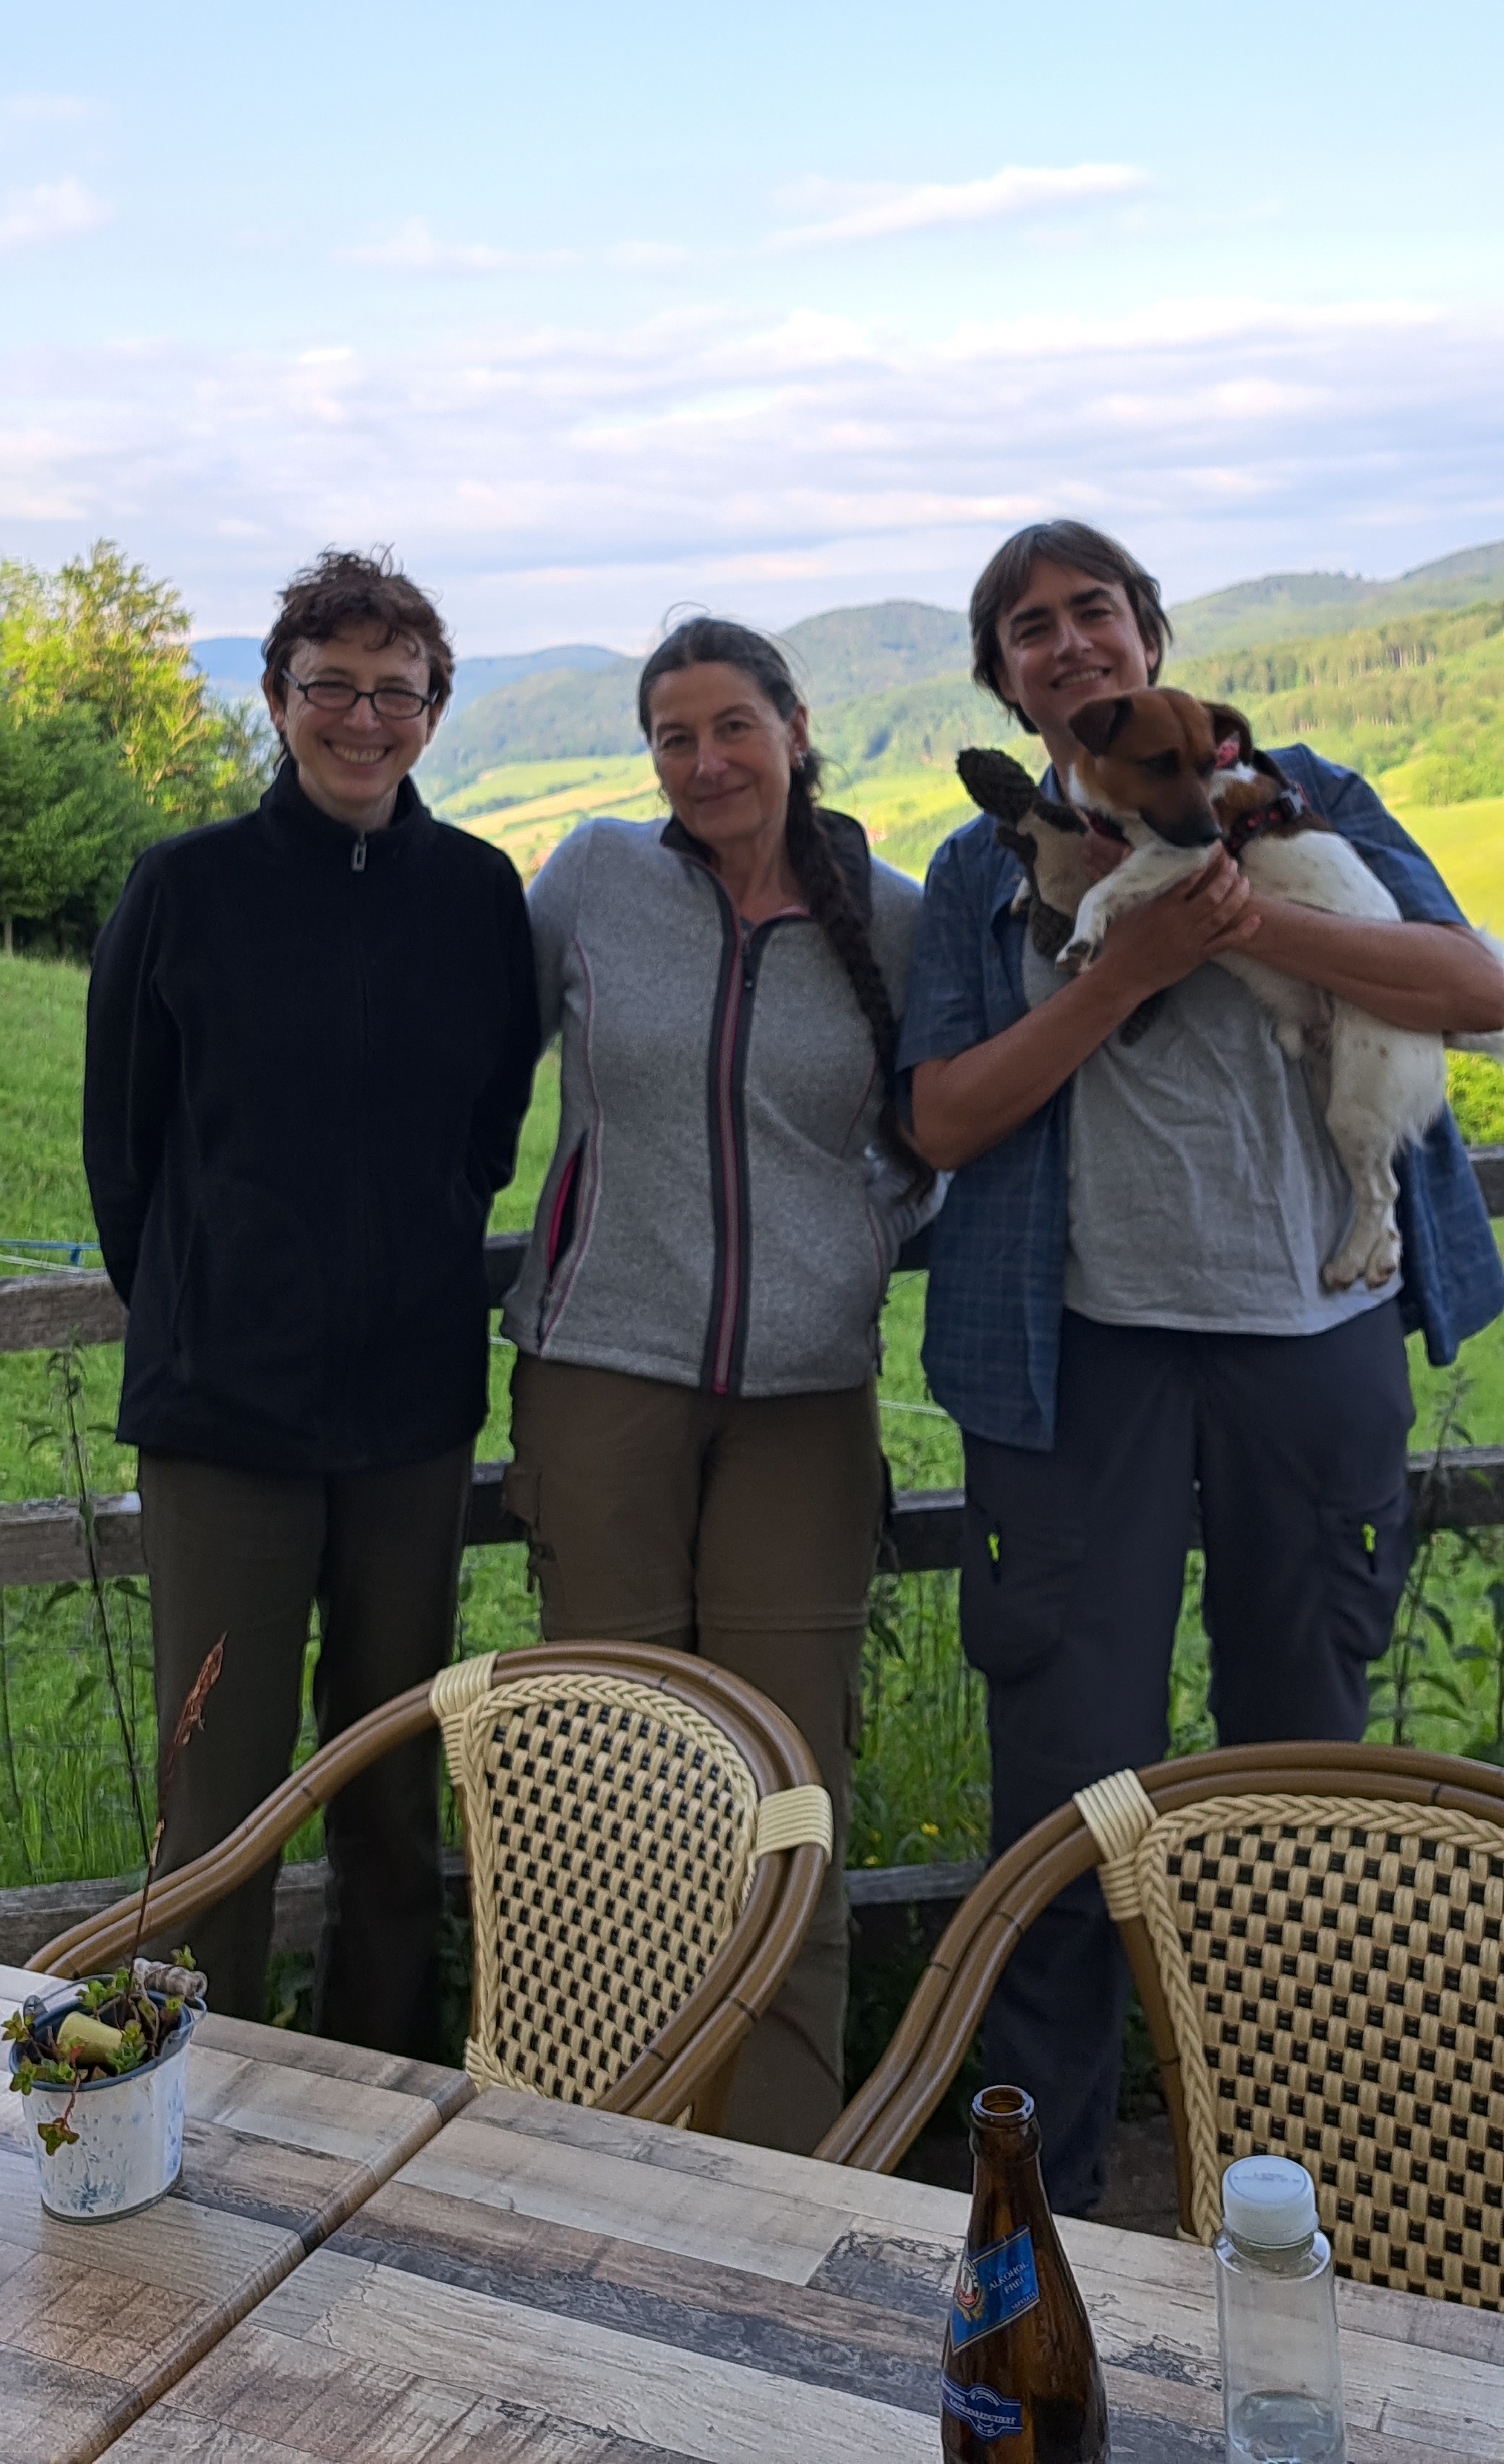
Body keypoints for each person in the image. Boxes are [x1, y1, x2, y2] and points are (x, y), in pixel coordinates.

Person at [898, 519, 1504, 2214]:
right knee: (1068, 1797)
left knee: (1301, 1777)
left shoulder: (1298, 795)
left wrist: (1226, 926)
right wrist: (1126, 967)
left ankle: (1309, 2197)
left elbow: (1472, 985)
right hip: (1073, 1364)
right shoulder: (978, 866)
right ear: (1006, 683)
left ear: (1154, 645)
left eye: (1093, 610)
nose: (1067, 640)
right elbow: (939, 1113)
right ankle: (1040, 2207)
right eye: (1027, 628)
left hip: (1309, 1352)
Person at [83, 549, 539, 2057]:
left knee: (393, 1783)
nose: (361, 716)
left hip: (408, 1409)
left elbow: (489, 1125)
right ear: (278, 699)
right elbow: (123, 1146)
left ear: (433, 710)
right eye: (329, 686)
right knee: (218, 1793)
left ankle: (378, 2088)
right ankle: (190, 2097)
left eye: (393, 689)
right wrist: (208, 1310)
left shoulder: (477, 896)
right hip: (224, 1412)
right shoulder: (185, 888)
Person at [500, 616, 932, 2152]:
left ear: (795, 728)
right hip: (599, 1375)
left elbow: (930, 1128)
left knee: (783, 1803)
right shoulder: (594, 881)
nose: (703, 764)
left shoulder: (887, 914)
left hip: (804, 1407)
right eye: (673, 737)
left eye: (730, 727)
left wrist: (862, 1234)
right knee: (614, 1787)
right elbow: (478, 1066)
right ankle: (607, 2154)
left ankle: (783, 2186)